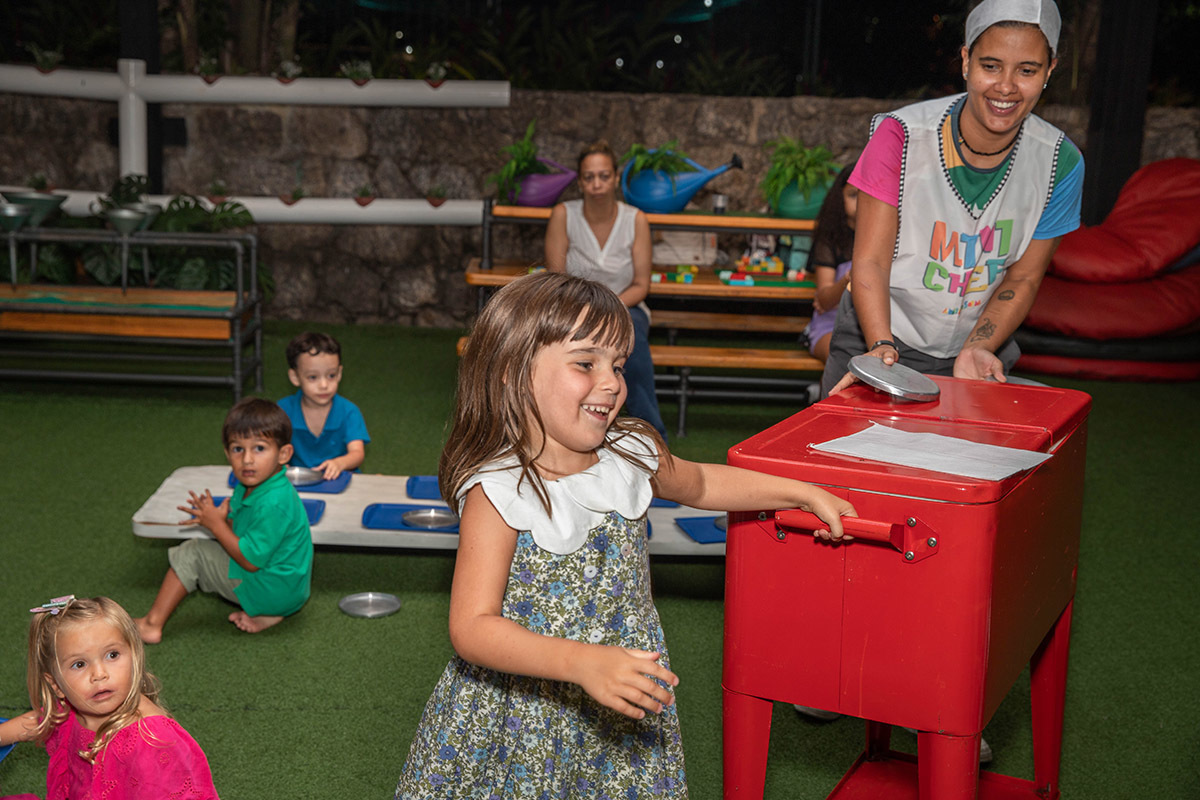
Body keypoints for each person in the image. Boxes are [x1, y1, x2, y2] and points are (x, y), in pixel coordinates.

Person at [393, 272, 855, 797]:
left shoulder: (631, 451)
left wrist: (797, 491)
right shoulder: (499, 490)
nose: (612, 382)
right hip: (523, 715)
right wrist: (581, 662)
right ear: (511, 372)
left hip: (623, 693)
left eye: (617, 364)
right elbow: (472, 626)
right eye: (585, 363)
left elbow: (701, 483)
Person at [819, 0, 1084, 399]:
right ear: (965, 61)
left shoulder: (1059, 163)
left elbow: (1024, 276)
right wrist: (879, 348)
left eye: (1026, 70)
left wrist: (979, 347)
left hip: (975, 347)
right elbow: (870, 260)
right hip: (879, 334)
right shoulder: (900, 136)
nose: (1006, 86)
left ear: (1050, 70)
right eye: (990, 66)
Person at [0, 595, 219, 799]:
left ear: (134, 657)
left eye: (112, 655)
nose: (99, 674)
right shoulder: (71, 710)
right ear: (56, 685)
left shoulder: (151, 738)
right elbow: (39, 722)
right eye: (79, 664)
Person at [135, 398, 313, 642]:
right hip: (287, 588)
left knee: (193, 552)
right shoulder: (253, 484)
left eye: (259, 448)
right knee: (215, 544)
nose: (247, 459)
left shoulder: (273, 501)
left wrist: (217, 525)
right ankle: (269, 613)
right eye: (238, 449)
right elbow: (243, 534)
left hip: (274, 590)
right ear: (227, 453)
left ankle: (150, 625)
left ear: (284, 453)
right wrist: (220, 519)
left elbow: (250, 561)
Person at [544, 140, 668, 440]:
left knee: (631, 342)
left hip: (626, 305)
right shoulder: (564, 214)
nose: (597, 183)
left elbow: (641, 284)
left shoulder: (634, 219)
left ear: (615, 178)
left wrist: (609, 308)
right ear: (580, 181)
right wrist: (587, 311)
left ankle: (652, 438)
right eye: (589, 177)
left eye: (603, 175)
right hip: (573, 306)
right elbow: (556, 278)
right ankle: (560, 431)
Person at [279, 332, 370, 480]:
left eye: (331, 375)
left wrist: (340, 463)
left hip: (340, 478)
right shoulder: (283, 410)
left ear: (339, 373)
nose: (324, 385)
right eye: (313, 377)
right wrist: (279, 465)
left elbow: (357, 454)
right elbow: (272, 448)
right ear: (295, 377)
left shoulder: (349, 411)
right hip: (298, 481)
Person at [803, 162, 859, 363]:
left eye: (868, 197)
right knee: (843, 358)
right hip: (831, 326)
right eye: (853, 195)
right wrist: (848, 280)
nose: (861, 203)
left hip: (870, 328)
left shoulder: (889, 238)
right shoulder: (830, 240)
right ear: (839, 198)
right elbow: (824, 301)